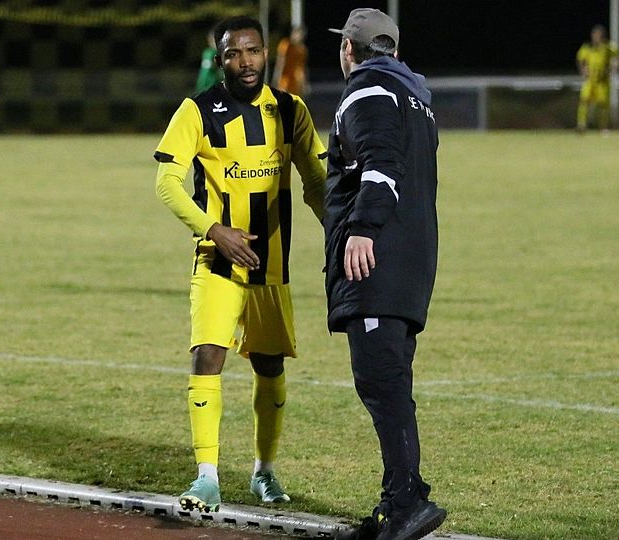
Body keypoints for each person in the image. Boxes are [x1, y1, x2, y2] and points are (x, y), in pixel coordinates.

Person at [153, 16, 326, 513]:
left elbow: (316, 182)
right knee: (208, 354)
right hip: (217, 262)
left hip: (272, 266)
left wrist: (339, 233)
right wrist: (215, 230)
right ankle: (206, 477)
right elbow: (167, 183)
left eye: (253, 51)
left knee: (270, 365)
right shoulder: (197, 110)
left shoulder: (290, 109)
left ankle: (263, 471)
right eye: (234, 53)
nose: (245, 61)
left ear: (266, 53)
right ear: (220, 59)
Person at [324, 9, 446, 540]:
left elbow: (381, 164)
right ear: (394, 50)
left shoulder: (367, 90)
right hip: (412, 260)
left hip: (377, 259)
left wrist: (362, 228)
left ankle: (406, 504)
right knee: (390, 381)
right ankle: (399, 501)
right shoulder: (415, 98)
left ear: (349, 49)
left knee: (382, 382)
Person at [576, 24, 619, 132]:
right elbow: (580, 59)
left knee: (602, 104)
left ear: (602, 36)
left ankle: (603, 127)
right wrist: (583, 69)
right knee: (584, 100)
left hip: (602, 81)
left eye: (598, 35)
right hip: (590, 80)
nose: (596, 37)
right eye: (594, 35)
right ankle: (581, 125)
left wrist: (614, 67)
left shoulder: (608, 47)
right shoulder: (587, 47)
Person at [273, 26, 309, 96]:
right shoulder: (286, 45)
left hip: (297, 81)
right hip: (285, 80)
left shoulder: (303, 50)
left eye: (302, 35)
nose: (300, 37)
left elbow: (303, 67)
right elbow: (280, 62)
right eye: (298, 34)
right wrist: (277, 77)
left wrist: (305, 83)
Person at [194, 29, 224, 94]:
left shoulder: (217, 53)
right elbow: (205, 72)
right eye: (212, 40)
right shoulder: (209, 53)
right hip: (207, 87)